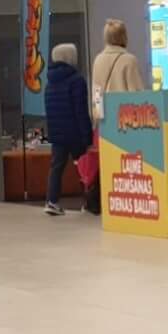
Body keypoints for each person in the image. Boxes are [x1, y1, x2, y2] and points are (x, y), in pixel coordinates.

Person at [41, 42, 92, 216]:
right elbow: (81, 110)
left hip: (57, 134)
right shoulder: (77, 80)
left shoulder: (49, 83)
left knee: (56, 167)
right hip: (75, 133)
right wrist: (87, 135)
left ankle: (51, 201)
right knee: (85, 168)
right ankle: (89, 202)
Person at [89, 19, 145, 126]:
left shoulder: (98, 60)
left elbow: (97, 93)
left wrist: (98, 118)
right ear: (124, 36)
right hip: (126, 119)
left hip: (106, 119)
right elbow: (137, 94)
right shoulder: (129, 60)